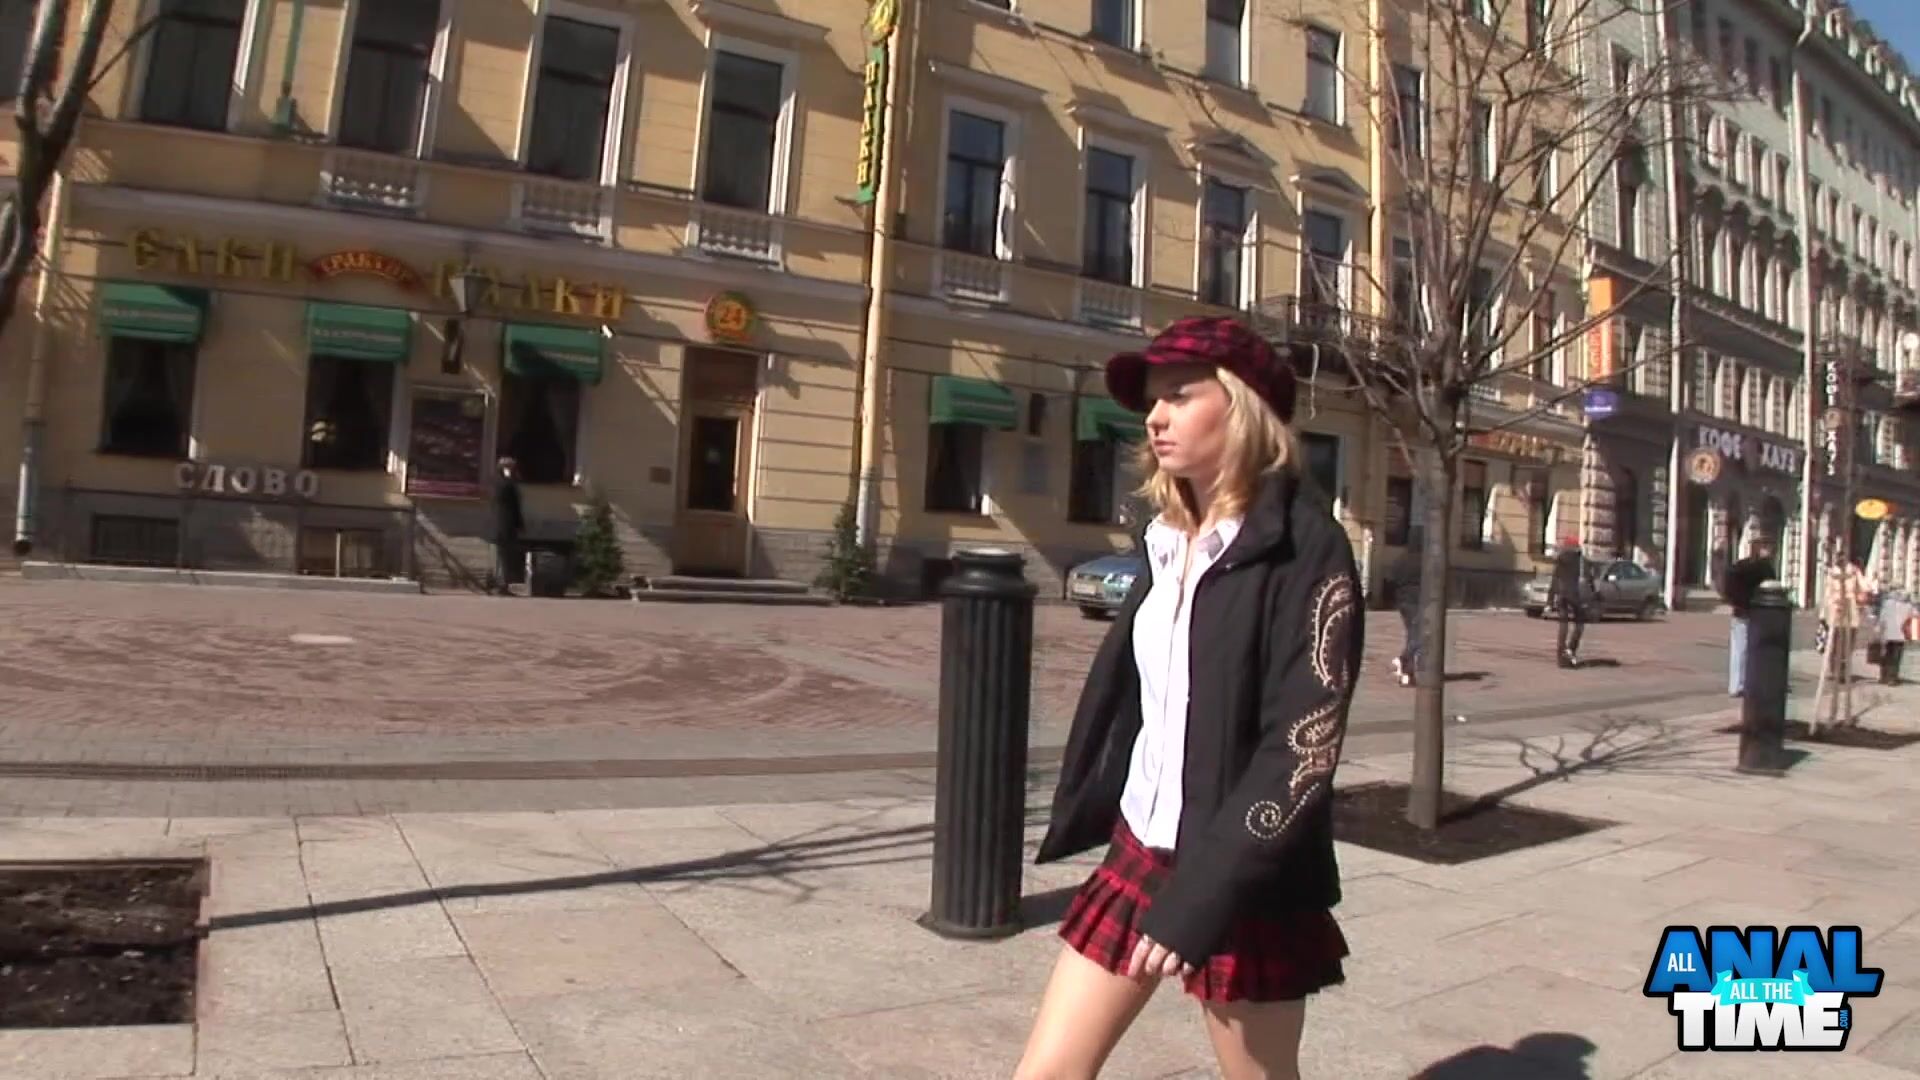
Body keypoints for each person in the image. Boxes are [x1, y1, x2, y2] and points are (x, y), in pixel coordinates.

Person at [1018, 316, 1363, 1080]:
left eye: (1180, 395)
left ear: (1242, 408)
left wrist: (1207, 892)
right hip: (1142, 847)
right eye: (1152, 399)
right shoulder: (1165, 537)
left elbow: (1302, 748)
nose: (1156, 416)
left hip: (1243, 872)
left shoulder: (1305, 546)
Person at [1722, 539, 1777, 697]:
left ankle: (1737, 684)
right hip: (1755, 612)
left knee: (1740, 649)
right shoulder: (1763, 568)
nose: (1772, 553)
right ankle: (1745, 683)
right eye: (1769, 549)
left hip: (1742, 611)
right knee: (1752, 649)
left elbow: (1729, 580)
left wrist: (1734, 601)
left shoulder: (1742, 566)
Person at [1547, 537, 1591, 669]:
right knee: (1579, 624)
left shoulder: (1560, 560)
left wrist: (1549, 602)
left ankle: (1561, 656)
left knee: (1563, 625)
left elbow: (1555, 580)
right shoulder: (1581, 561)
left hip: (1562, 595)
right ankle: (1571, 649)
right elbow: (1589, 579)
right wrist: (1593, 595)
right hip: (1575, 596)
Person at [1388, 539, 1423, 688]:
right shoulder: (1423, 561)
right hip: (1417, 602)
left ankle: (1407, 674)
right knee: (1419, 636)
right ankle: (1404, 659)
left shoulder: (1400, 560)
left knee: (1412, 634)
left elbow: (1391, 579)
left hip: (1403, 602)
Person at [491, 456, 524, 597]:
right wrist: (509, 478)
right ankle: (501, 585)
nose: (514, 470)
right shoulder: (502, 483)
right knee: (504, 555)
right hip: (504, 524)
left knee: (506, 555)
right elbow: (511, 503)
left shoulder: (505, 482)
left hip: (506, 524)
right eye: (511, 467)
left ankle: (503, 584)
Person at [1877, 588, 1913, 686]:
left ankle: (1883, 677)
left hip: (1888, 634)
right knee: (1896, 658)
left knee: (1886, 655)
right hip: (1900, 635)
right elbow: (1914, 618)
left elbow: (1882, 618)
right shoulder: (1909, 606)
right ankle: (1892, 678)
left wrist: (1880, 630)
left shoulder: (1887, 603)